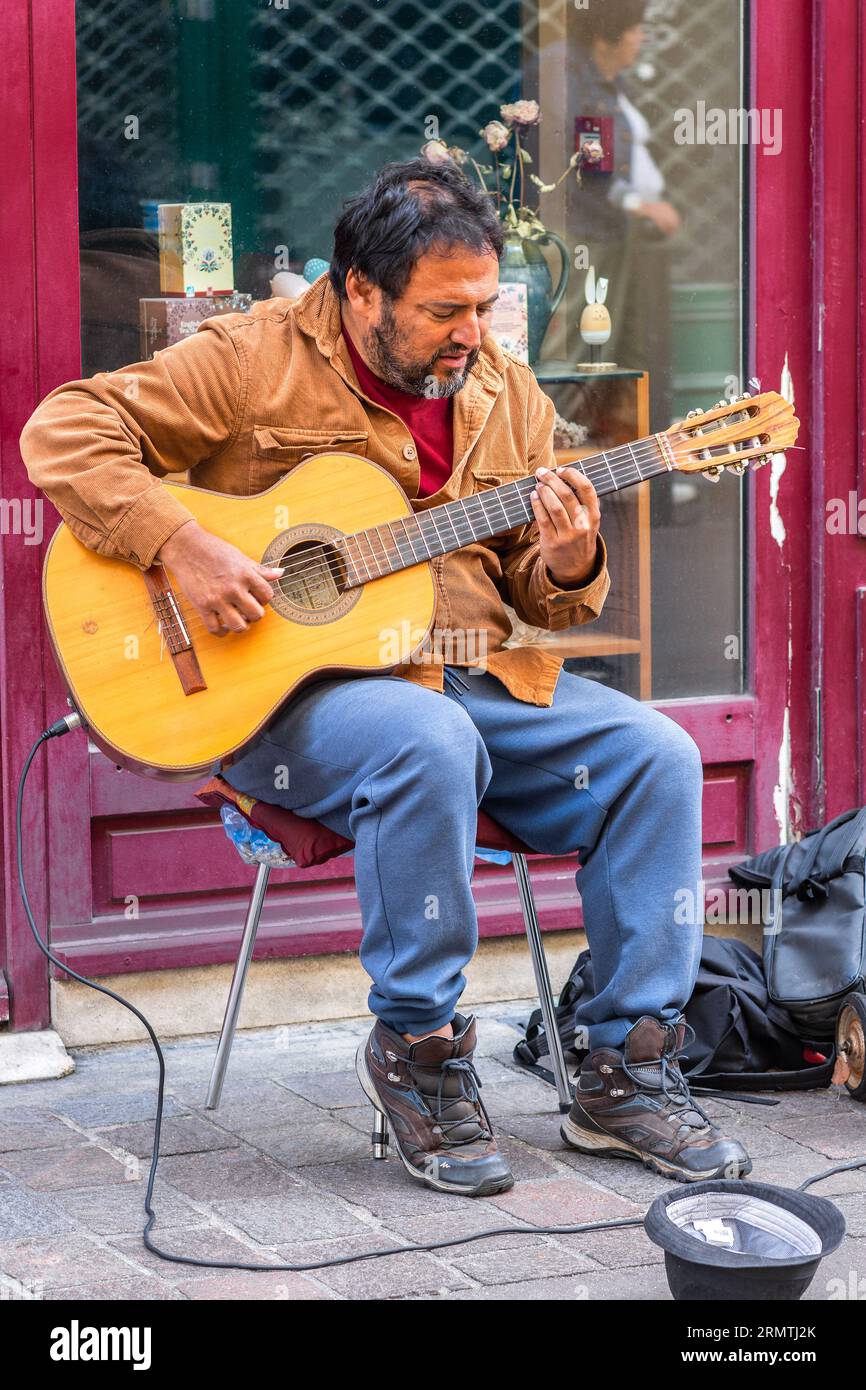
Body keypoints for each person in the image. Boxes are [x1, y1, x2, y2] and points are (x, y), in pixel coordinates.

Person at [20, 157, 750, 1197]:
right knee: (425, 738)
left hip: (470, 678)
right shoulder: (250, 358)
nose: (472, 333)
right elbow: (64, 430)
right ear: (359, 288)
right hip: (291, 705)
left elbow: (541, 599)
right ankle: (419, 1049)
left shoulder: (499, 388)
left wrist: (571, 553)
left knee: (656, 755)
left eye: (484, 306)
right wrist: (180, 544)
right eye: (442, 310)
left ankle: (622, 1067)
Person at [566, 0, 680, 426]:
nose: (641, 37)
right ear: (608, 33)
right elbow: (584, 164)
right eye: (634, 28)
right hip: (592, 232)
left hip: (621, 233)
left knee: (619, 350)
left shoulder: (609, 82)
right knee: (589, 347)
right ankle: (558, 449)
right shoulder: (579, 80)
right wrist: (639, 203)